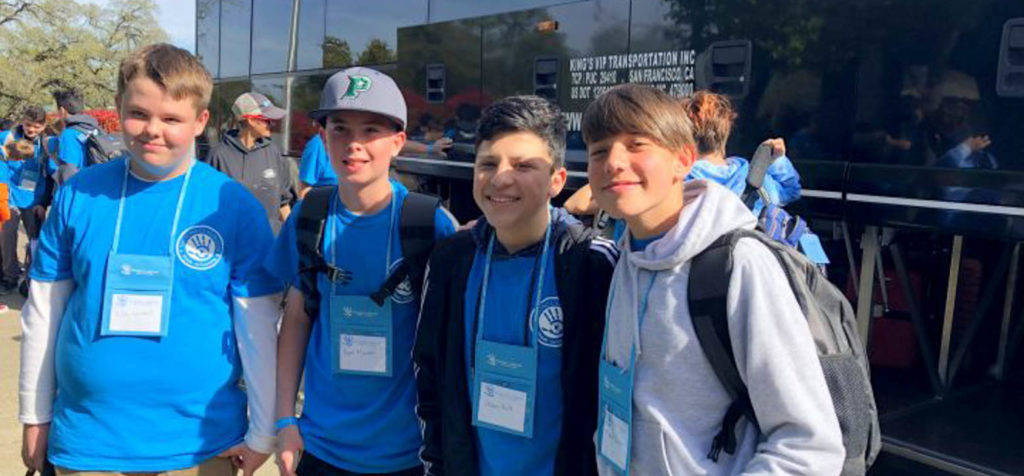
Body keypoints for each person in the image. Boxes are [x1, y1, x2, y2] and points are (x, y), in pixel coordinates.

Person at [19, 43, 280, 475]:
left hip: (201, 443)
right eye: (139, 114)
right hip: (89, 441)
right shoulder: (78, 194)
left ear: (200, 122)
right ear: (120, 109)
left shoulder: (232, 205)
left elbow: (257, 328)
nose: (152, 130)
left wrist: (263, 431)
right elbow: (44, 312)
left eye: (172, 119)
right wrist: (34, 413)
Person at [583, 84, 844, 475]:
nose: (613, 162)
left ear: (683, 159)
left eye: (637, 145)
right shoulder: (628, 256)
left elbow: (809, 447)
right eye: (599, 150)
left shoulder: (739, 266)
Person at [267, 66, 458, 475]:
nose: (354, 145)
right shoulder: (310, 217)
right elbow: (297, 317)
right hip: (320, 448)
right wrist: (285, 420)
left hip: (408, 452)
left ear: (398, 142)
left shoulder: (429, 225)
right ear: (323, 137)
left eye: (371, 130)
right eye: (340, 129)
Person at [413, 96, 616, 476]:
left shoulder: (591, 264)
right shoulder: (452, 260)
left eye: (523, 166)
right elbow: (430, 379)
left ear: (557, 180)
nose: (501, 177)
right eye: (488, 163)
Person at [206, 92, 295, 233]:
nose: (272, 124)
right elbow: (208, 205)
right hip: (232, 243)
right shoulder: (218, 156)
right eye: (267, 120)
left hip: (270, 242)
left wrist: (292, 235)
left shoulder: (274, 153)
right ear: (252, 121)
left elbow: (283, 202)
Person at [0, 105, 57, 293]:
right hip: (10, 196)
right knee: (7, 237)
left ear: (43, 125)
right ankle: (10, 276)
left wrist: (43, 203)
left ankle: (31, 277)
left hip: (34, 200)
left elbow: (50, 176)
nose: (31, 130)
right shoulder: (8, 137)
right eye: (27, 125)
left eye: (36, 127)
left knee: (35, 240)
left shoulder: (48, 144)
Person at [53, 89, 100, 170]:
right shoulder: (96, 129)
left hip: (80, 181)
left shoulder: (68, 134)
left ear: (62, 111)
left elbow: (68, 171)